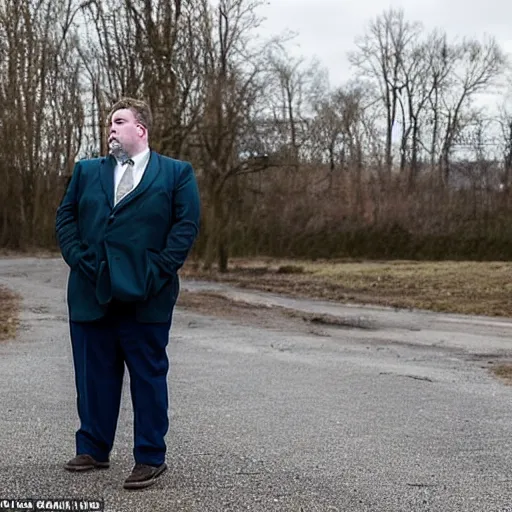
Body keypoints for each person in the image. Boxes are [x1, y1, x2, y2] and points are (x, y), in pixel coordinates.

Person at [55, 97, 201, 490]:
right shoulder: (86, 171)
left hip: (146, 295)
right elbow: (65, 219)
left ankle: (150, 456)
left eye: (119, 121)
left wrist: (155, 272)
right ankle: (93, 448)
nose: (111, 129)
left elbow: (185, 227)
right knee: (93, 375)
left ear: (141, 129)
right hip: (91, 292)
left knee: (148, 376)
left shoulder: (176, 174)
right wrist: (82, 262)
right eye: (108, 123)